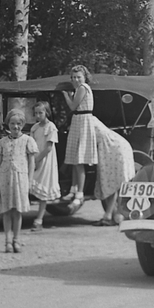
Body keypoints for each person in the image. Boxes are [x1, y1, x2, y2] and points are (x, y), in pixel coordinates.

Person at [0, 110, 38, 253]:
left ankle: (17, 239)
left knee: (18, 210)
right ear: (8, 124)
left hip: (20, 178)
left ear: (23, 124)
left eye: (19, 124)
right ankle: (7, 240)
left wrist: (30, 180)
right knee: (6, 209)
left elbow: (32, 162)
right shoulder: (2, 142)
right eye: (12, 123)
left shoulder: (27, 140)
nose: (15, 126)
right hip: (5, 177)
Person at [60, 64, 97, 211]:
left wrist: (65, 96)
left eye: (79, 77)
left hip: (83, 121)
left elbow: (73, 106)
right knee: (74, 159)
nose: (76, 80)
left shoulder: (83, 88)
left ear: (84, 77)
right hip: (77, 121)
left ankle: (80, 192)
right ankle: (73, 189)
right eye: (74, 77)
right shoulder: (78, 89)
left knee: (80, 159)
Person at [92, 119, 136, 225]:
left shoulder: (87, 121)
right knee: (113, 184)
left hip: (115, 149)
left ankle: (117, 214)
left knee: (117, 183)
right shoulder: (91, 121)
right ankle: (110, 214)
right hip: (112, 148)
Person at [28, 100, 60, 231]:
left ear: (46, 112)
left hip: (46, 161)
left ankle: (39, 219)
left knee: (43, 188)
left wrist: (37, 160)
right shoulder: (35, 128)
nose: (38, 115)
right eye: (36, 113)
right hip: (35, 158)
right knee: (28, 183)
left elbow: (48, 148)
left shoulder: (51, 127)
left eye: (40, 113)